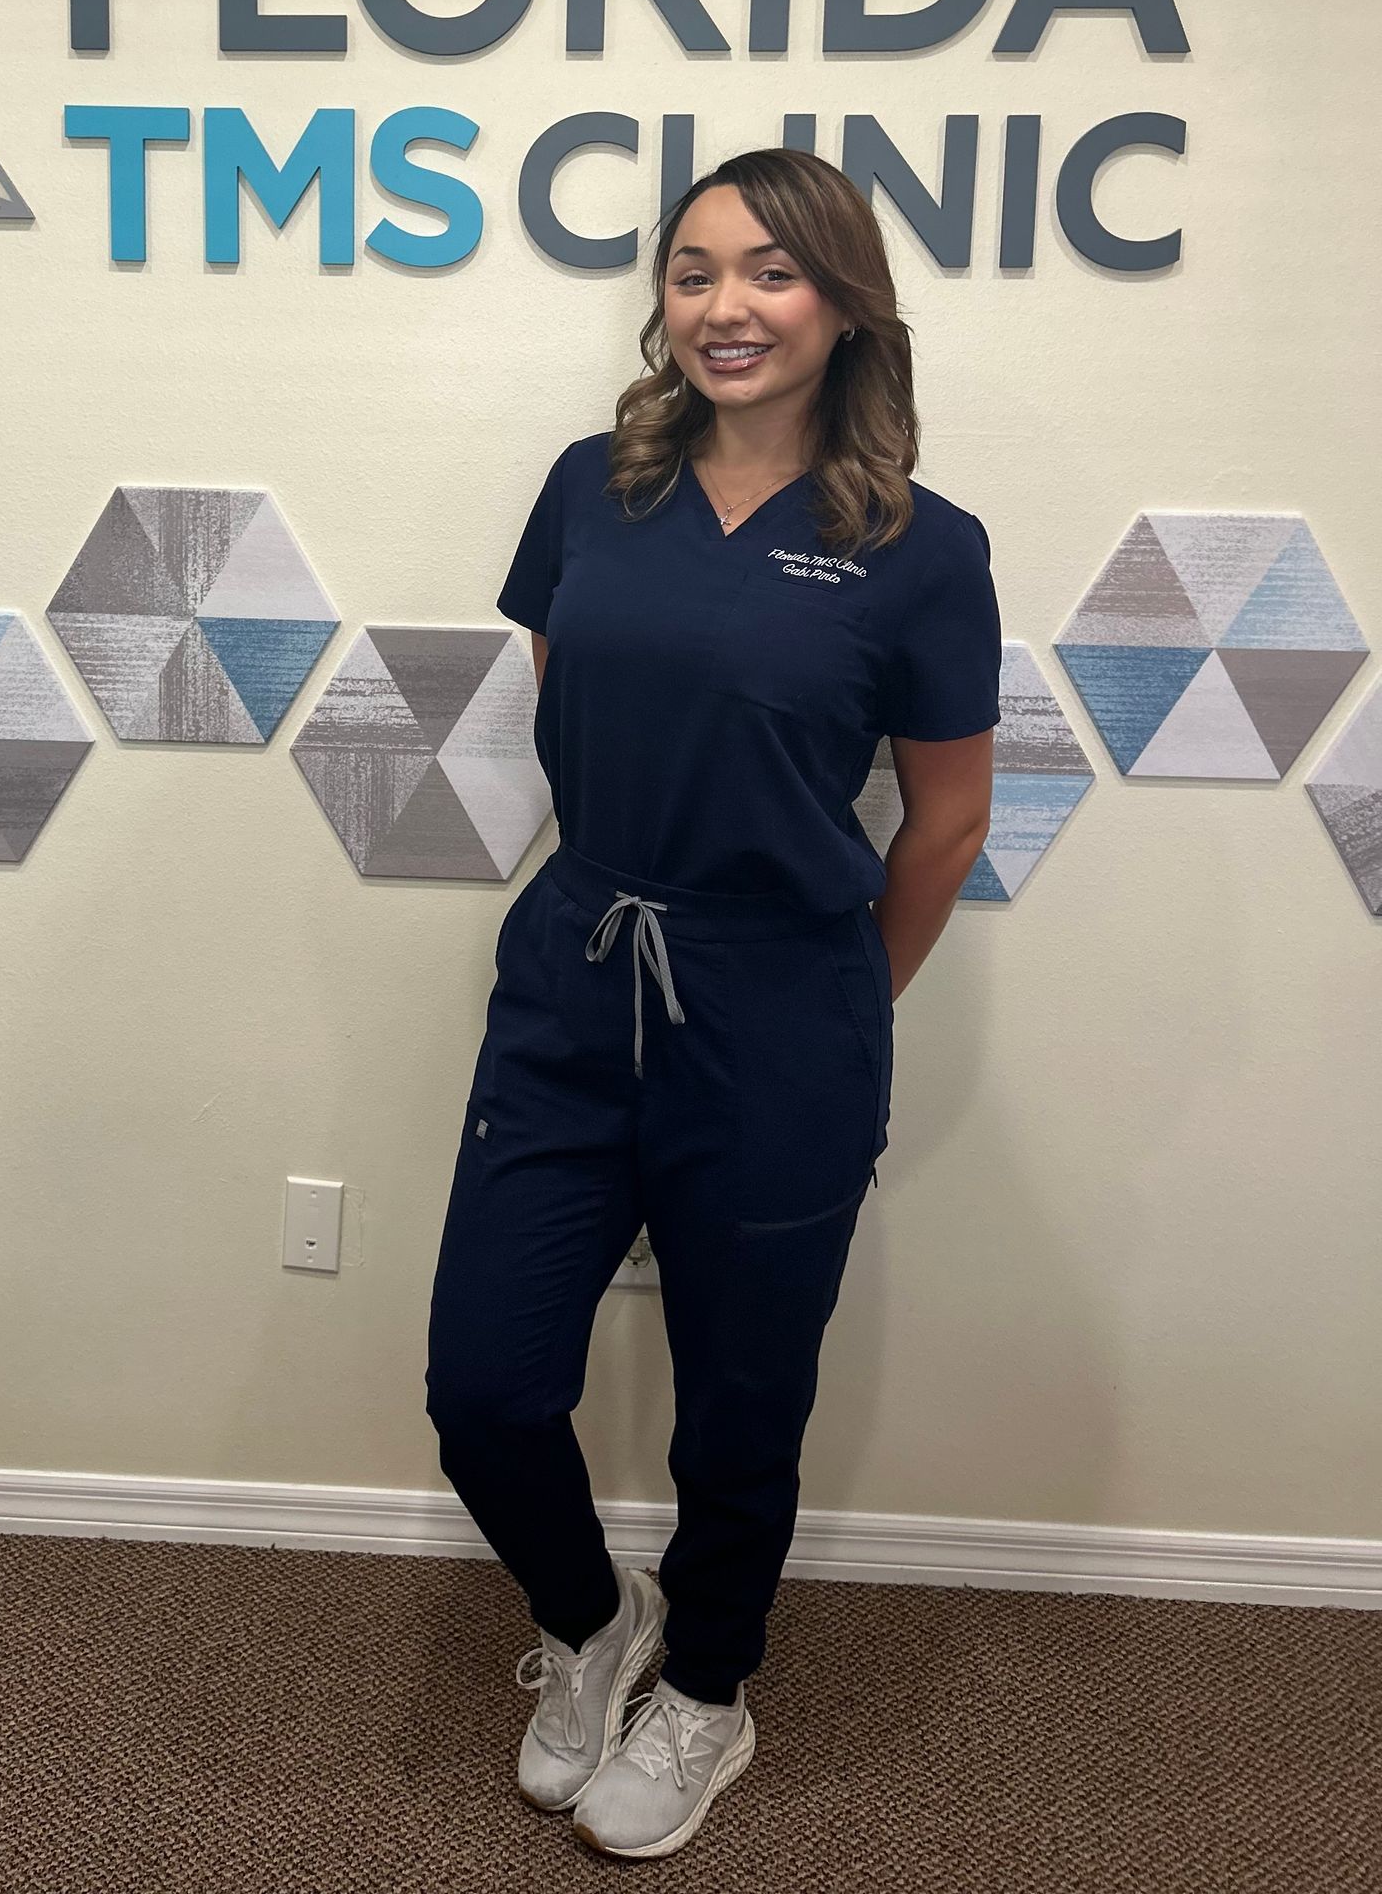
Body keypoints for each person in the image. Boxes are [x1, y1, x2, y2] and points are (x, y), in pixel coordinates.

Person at [424, 147, 1001, 1862]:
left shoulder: (919, 548)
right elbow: (573, 710)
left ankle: (711, 1693)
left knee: (743, 1405)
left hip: (783, 1010)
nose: (725, 306)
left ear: (843, 306)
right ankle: (598, 1625)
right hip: (579, 973)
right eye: (692, 271)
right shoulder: (588, 488)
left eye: (769, 273)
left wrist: (831, 1007)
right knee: (486, 1386)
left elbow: (948, 815)